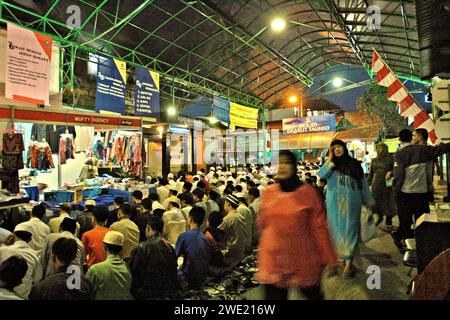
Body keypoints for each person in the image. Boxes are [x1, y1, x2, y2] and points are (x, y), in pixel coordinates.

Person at [258, 150, 337, 300]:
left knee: (314, 296)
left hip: (303, 259)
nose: (282, 166)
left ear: (294, 166)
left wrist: (330, 258)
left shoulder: (308, 193)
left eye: (286, 162)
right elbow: (263, 224)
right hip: (273, 262)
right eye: (279, 163)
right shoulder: (269, 192)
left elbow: (319, 228)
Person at [318, 140, 373, 278]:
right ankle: (343, 259)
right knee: (336, 230)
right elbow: (321, 175)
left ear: (344, 148)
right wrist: (329, 159)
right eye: (334, 147)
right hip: (334, 204)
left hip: (352, 202)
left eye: (339, 146)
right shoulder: (330, 165)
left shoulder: (354, 164)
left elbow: (363, 183)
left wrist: (367, 199)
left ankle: (348, 262)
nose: (337, 149)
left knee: (350, 230)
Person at [391, 129, 450, 250]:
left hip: (406, 194)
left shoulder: (402, 153)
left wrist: (395, 193)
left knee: (407, 222)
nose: (413, 138)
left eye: (414, 135)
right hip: (420, 194)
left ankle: (410, 246)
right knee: (421, 222)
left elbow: (398, 176)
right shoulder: (425, 150)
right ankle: (416, 246)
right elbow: (441, 149)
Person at [128, 216, 180, 300]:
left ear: (148, 228)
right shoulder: (169, 247)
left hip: (145, 294)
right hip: (166, 293)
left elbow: (131, 272)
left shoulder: (141, 247)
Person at [85, 231, 133, 300]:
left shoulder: (95, 269)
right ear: (121, 250)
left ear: (104, 247)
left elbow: (85, 293)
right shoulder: (127, 268)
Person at [0, 224, 42, 299]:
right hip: (23, 295)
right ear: (29, 240)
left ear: (13, 236)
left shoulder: (3, 250)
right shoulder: (34, 255)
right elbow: (37, 279)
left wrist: (5, 244)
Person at [175, 206, 210, 289]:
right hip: (202, 277)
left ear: (190, 218)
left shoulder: (184, 236)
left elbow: (173, 257)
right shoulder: (204, 238)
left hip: (188, 278)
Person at [368, 143, 396, 231]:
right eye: (377, 148)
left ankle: (389, 221)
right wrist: (365, 185)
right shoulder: (374, 160)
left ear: (385, 149)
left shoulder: (391, 159)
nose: (378, 150)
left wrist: (390, 172)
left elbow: (396, 169)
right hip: (376, 184)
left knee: (388, 203)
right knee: (376, 202)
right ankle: (379, 216)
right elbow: (371, 174)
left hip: (387, 185)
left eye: (380, 148)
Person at [218, 194, 248, 268]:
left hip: (232, 251)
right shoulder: (239, 215)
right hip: (241, 250)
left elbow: (218, 232)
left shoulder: (228, 218)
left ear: (228, 204)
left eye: (225, 203)